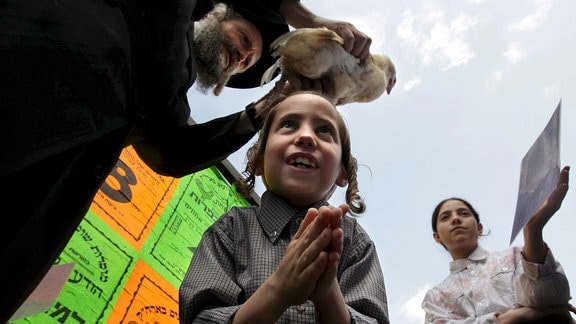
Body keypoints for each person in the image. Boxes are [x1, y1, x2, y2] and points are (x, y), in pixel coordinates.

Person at [0, 0, 373, 320]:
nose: (241, 57)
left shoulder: (165, 104)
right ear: (215, 11)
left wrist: (270, 104)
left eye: (246, 62)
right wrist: (317, 25)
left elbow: (173, 153)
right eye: (244, 39)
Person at [179, 91, 389, 323]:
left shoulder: (355, 241)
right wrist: (279, 290)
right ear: (259, 161)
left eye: (324, 130)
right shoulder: (231, 229)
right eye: (289, 124)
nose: (306, 136)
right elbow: (199, 318)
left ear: (342, 173)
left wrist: (328, 292)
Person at [422, 166, 575, 323]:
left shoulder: (515, 256)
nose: (456, 219)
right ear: (437, 236)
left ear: (479, 228)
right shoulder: (436, 297)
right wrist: (506, 318)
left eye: (464, 213)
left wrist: (533, 230)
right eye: (446, 217)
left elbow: (551, 296)